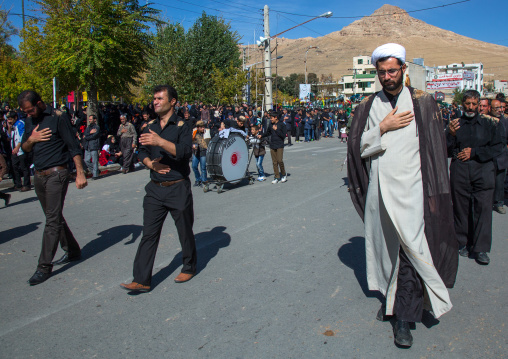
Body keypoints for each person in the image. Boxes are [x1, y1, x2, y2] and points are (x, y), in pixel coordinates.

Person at [347, 43, 458, 348]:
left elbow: (435, 152)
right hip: (381, 198)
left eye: (392, 70)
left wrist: (436, 194)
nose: (387, 76)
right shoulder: (368, 107)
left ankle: (404, 321)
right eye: (381, 72)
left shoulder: (423, 104)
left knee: (411, 251)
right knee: (389, 252)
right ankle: (394, 300)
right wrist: (382, 127)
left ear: (403, 70)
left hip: (413, 195)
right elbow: (359, 149)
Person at [121, 85, 196, 293]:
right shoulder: (149, 126)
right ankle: (141, 279)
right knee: (149, 234)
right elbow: (142, 151)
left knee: (184, 231)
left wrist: (160, 141)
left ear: (173, 101)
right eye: (154, 98)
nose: (155, 102)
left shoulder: (183, 125)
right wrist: (150, 164)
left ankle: (189, 266)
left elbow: (183, 152)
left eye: (160, 98)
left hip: (177, 187)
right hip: (154, 189)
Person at [19, 90, 88, 286]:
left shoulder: (58, 117)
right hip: (39, 175)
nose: (29, 114)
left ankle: (43, 266)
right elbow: (24, 148)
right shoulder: (30, 121)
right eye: (26, 112)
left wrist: (80, 172)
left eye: (31, 110)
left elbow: (73, 146)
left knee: (52, 219)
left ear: (39, 103)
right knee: (54, 216)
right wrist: (32, 139)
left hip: (58, 173)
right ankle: (73, 250)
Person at [447, 91, 504, 265]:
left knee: (483, 210)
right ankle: (462, 243)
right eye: (467, 104)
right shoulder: (455, 125)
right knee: (461, 208)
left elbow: (498, 147)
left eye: (474, 104)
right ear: (463, 103)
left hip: (483, 171)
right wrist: (450, 135)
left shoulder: (490, 124)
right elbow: (446, 149)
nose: (470, 107)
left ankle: (480, 249)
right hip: (461, 171)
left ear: (479, 104)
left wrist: (475, 152)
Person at [489, 99, 508, 214]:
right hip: (488, 156)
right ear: (491, 109)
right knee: (488, 181)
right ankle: (488, 202)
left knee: (500, 181)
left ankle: (499, 202)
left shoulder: (505, 122)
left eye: (500, 108)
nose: (499, 110)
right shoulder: (487, 120)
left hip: (501, 156)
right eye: (496, 108)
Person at [259, 111, 287, 184]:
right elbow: (268, 132)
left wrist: (276, 130)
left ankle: (283, 174)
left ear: (276, 117)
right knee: (274, 162)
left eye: (271, 118)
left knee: (279, 160)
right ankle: (277, 176)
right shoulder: (271, 125)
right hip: (272, 145)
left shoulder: (282, 125)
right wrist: (261, 135)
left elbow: (283, 136)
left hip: (279, 145)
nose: (270, 119)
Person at [6, 111, 31, 191]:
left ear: (15, 118)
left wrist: (17, 147)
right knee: (14, 167)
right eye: (8, 119)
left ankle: (27, 184)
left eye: (10, 119)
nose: (9, 121)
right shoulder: (12, 126)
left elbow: (21, 137)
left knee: (24, 167)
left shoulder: (20, 124)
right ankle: (18, 184)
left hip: (20, 149)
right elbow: (9, 136)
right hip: (14, 150)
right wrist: (9, 128)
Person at [191, 120, 208, 187]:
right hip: (196, 152)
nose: (203, 128)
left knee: (203, 167)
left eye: (203, 127)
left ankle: (204, 181)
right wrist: (192, 145)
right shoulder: (194, 132)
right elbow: (190, 140)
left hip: (203, 151)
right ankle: (198, 179)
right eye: (201, 127)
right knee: (194, 166)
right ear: (197, 128)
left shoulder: (206, 133)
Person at [84, 114, 101, 180]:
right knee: (86, 160)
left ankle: (95, 175)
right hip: (87, 146)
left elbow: (94, 136)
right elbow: (85, 136)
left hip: (94, 145)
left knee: (94, 161)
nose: (89, 120)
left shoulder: (97, 127)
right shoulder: (88, 128)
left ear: (94, 120)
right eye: (89, 119)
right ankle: (96, 171)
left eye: (91, 119)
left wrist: (88, 136)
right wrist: (90, 133)